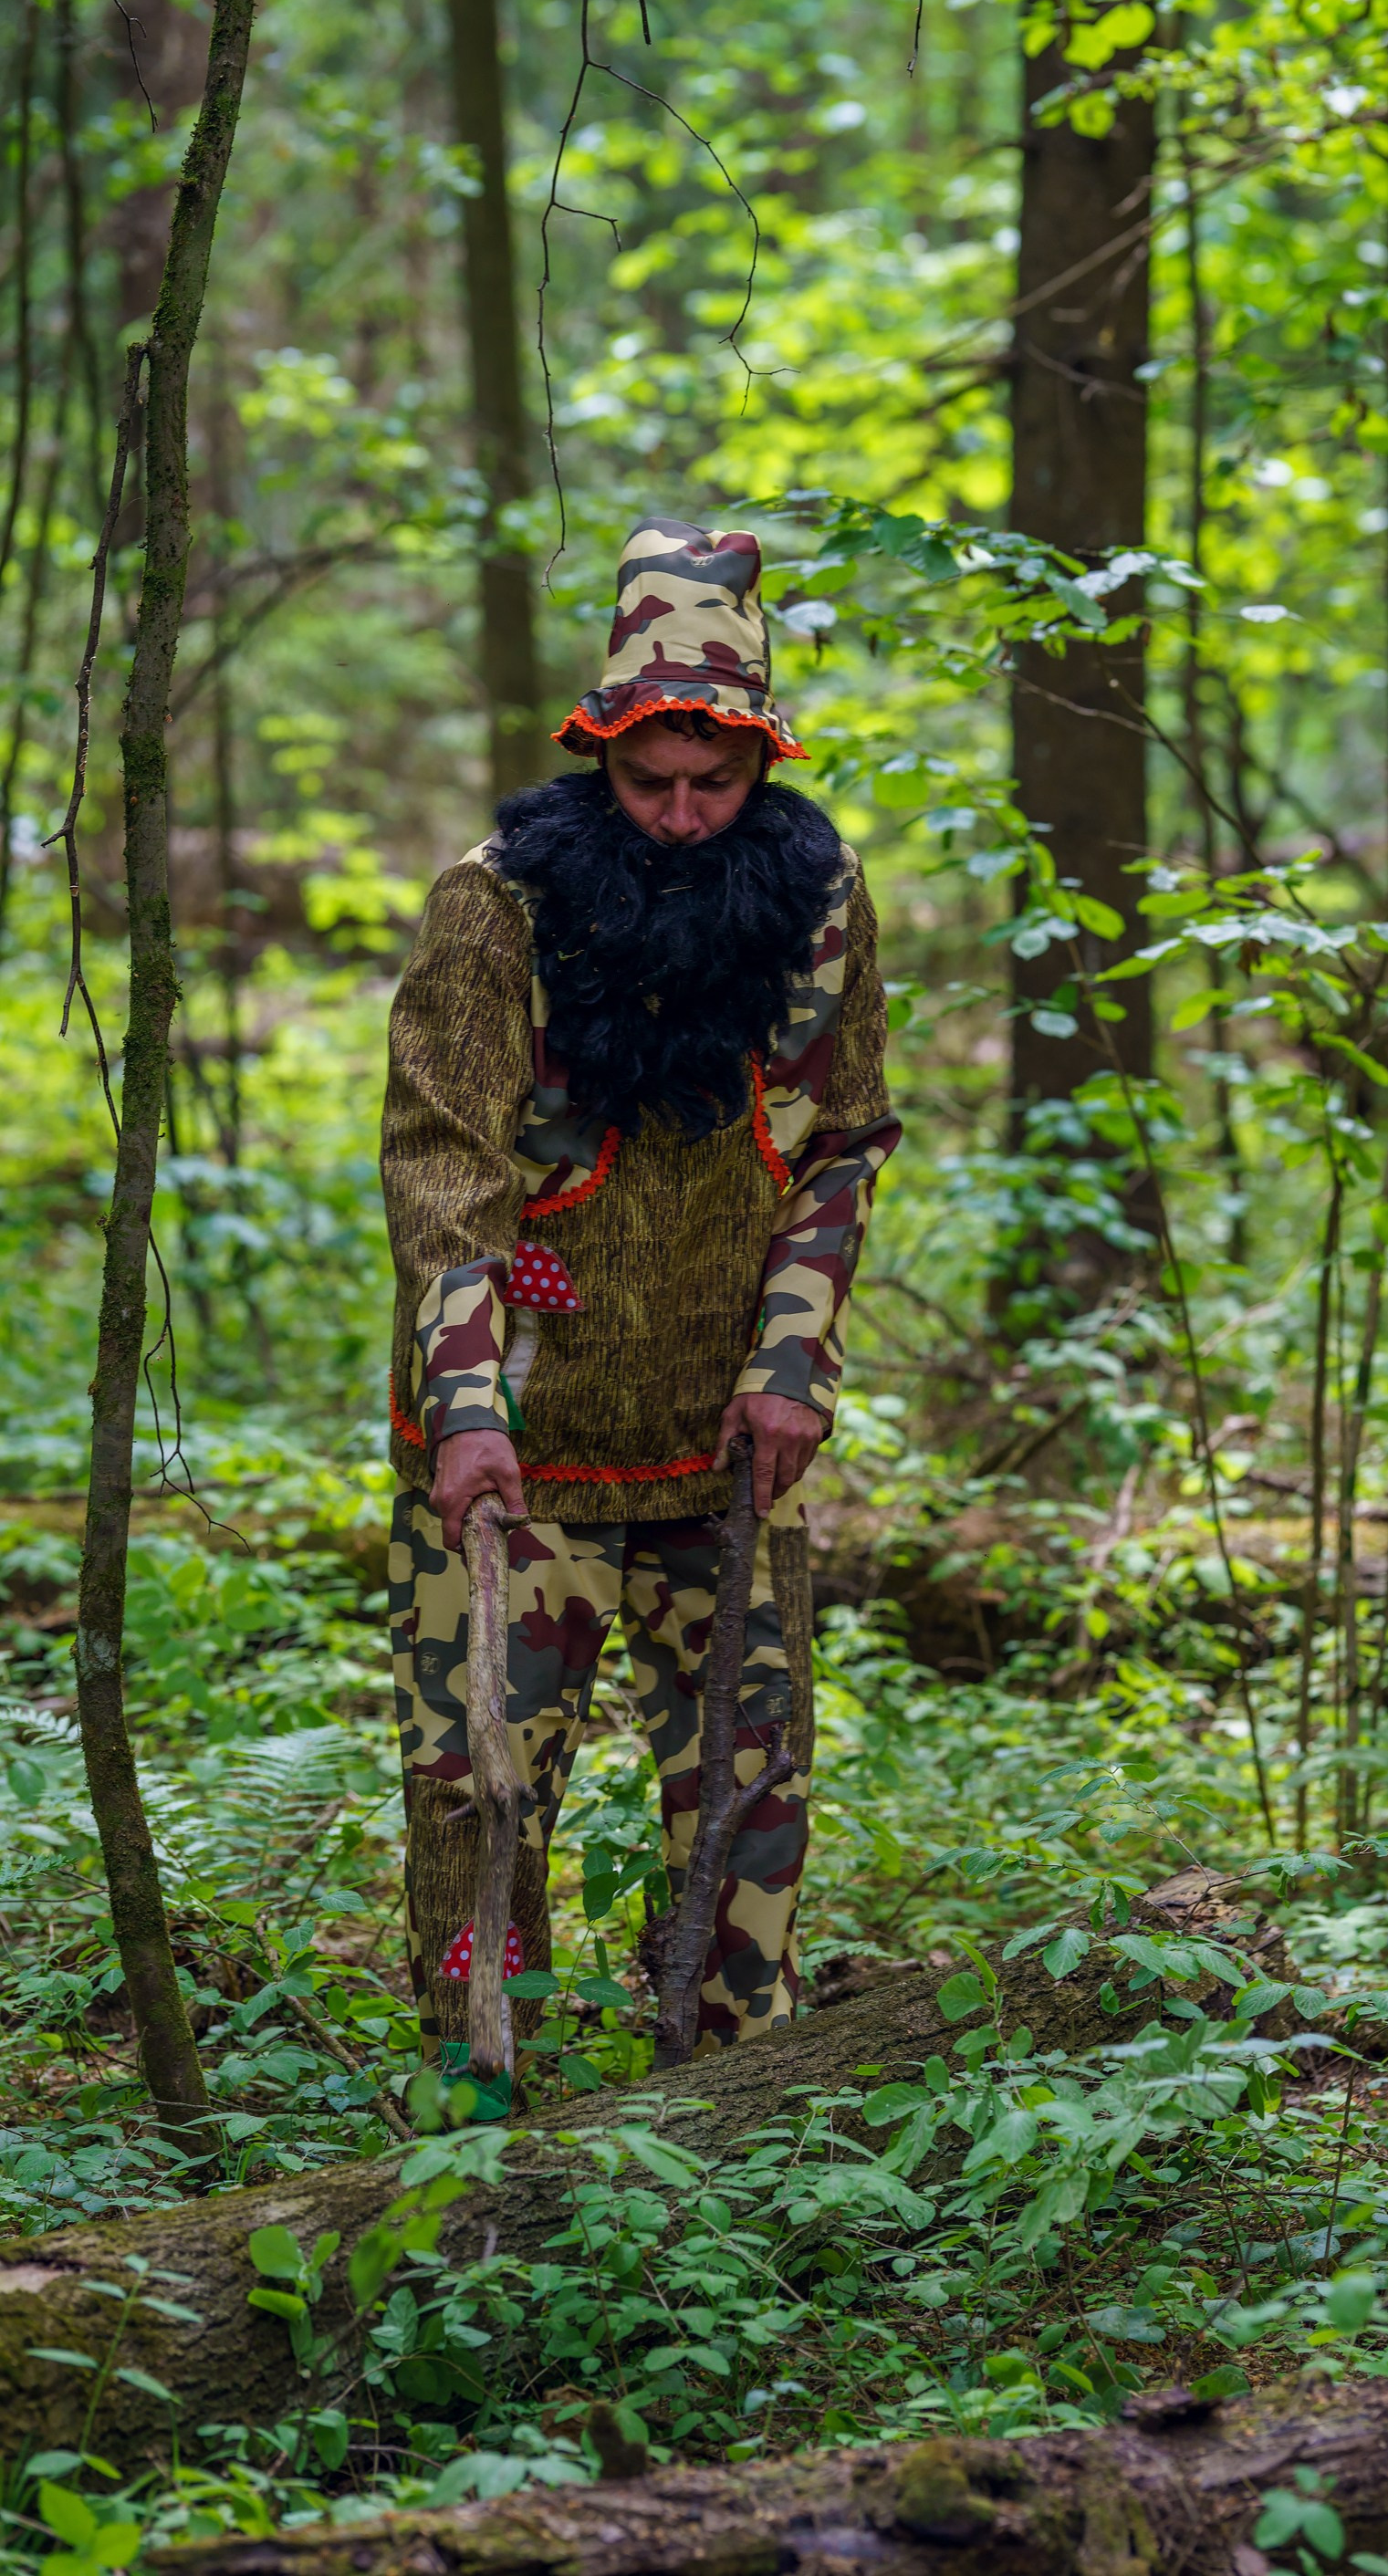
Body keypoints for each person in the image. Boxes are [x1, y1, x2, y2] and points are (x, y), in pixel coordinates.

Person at [381, 516, 899, 2106]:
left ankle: (736, 2104)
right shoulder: (498, 906)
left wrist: (796, 1362)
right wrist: (467, 1410)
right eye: (649, 781)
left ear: (759, 758)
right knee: (478, 1783)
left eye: (714, 783)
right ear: (599, 748)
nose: (680, 817)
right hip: (519, 1443)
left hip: (719, 1437)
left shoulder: (816, 900)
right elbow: (443, 1164)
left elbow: (842, 1145)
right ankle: (478, 2098)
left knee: (749, 1797)